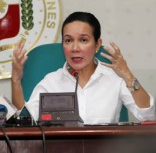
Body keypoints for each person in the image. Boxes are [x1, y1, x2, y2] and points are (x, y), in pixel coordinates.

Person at [11, 11, 155, 124]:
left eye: (83, 40)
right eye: (68, 40)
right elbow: (25, 120)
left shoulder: (114, 79)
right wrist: (16, 80)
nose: (75, 48)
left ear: (98, 44)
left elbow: (148, 116)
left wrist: (128, 76)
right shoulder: (51, 81)